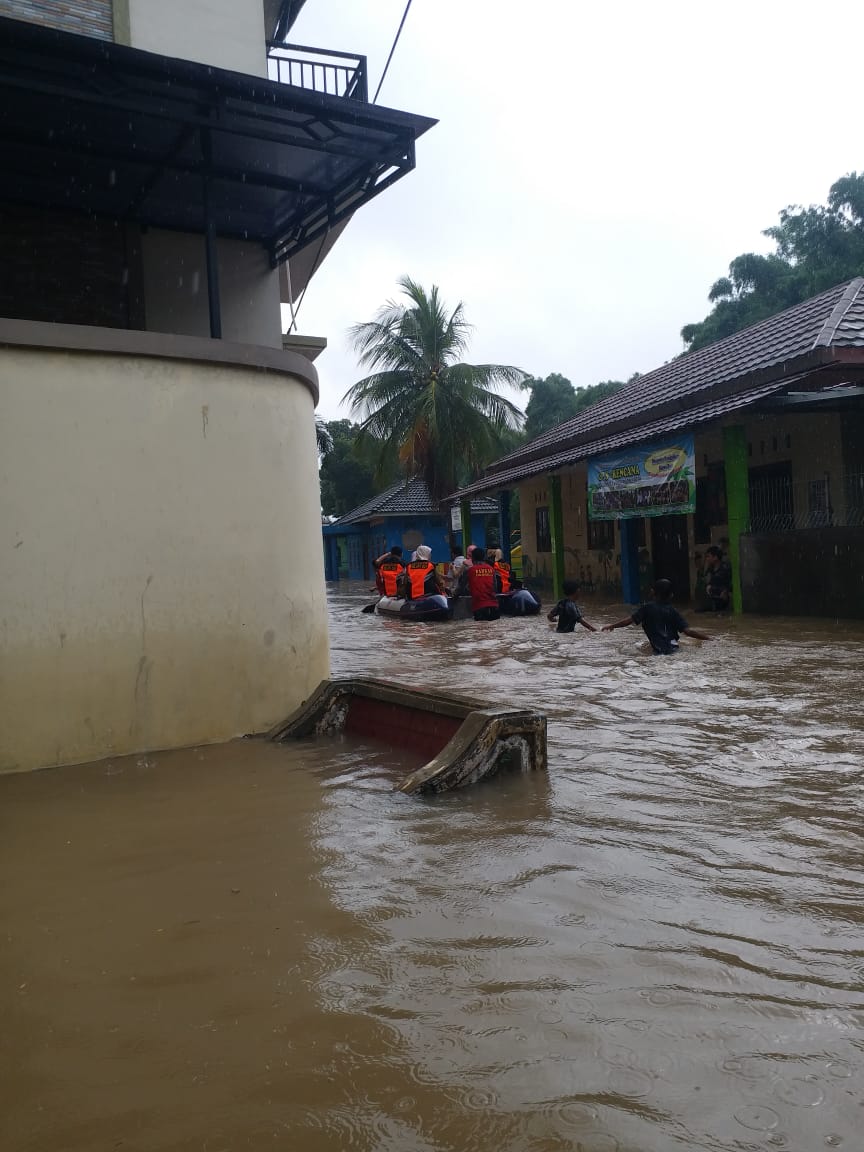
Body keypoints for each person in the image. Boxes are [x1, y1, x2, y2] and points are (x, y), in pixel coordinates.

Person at [602, 578, 713, 654]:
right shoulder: (673, 611)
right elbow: (688, 632)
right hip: (675, 649)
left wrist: (612, 626)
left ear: (652, 592)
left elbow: (628, 621)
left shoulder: (647, 608)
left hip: (659, 652)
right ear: (671, 595)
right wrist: (709, 638)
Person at [456, 546, 500, 621]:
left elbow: (460, 588)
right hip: (494, 606)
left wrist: (454, 597)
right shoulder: (491, 569)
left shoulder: (469, 571)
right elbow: (495, 587)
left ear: (473, 558)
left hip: (480, 608)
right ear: (484, 557)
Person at [703, 545, 732, 612]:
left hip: (724, 600)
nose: (707, 559)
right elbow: (707, 583)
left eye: (708, 556)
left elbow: (731, 584)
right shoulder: (710, 569)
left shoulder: (725, 568)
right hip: (713, 600)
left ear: (715, 557)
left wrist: (726, 591)